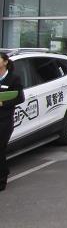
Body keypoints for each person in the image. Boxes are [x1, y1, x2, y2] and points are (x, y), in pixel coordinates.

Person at [0, 52, 25, 191]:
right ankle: (4, 171)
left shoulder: (14, 78)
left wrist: (3, 103)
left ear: (5, 62)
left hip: (4, 120)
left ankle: (2, 179)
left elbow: (20, 98)